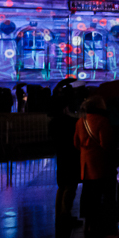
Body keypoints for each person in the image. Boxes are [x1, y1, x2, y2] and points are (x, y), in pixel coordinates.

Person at [74, 95, 116, 233]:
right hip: (99, 162)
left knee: (87, 191)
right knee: (100, 191)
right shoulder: (103, 121)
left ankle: (88, 218)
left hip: (85, 163)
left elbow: (76, 143)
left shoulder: (80, 121)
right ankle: (101, 219)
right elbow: (106, 144)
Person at [49, 85, 82, 222]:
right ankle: (65, 214)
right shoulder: (71, 122)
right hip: (72, 155)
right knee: (70, 186)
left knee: (62, 186)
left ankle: (60, 214)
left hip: (61, 155)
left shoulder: (53, 123)